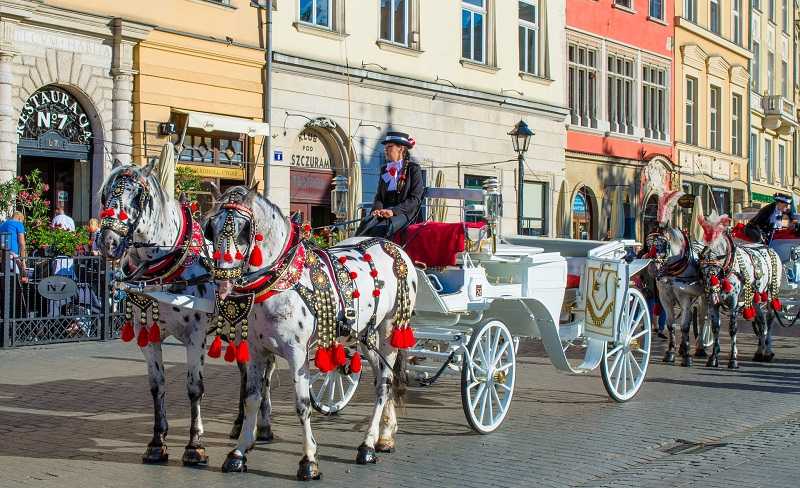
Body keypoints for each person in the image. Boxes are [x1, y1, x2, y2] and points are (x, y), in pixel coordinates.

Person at [355, 131, 425, 239]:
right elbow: (379, 196)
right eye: (385, 147)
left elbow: (415, 199)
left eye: (389, 147)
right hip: (384, 212)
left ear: (401, 148)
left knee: (380, 229)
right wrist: (377, 209)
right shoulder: (385, 169)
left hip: (404, 213)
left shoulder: (413, 169)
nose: (385, 150)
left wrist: (393, 211)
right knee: (365, 225)